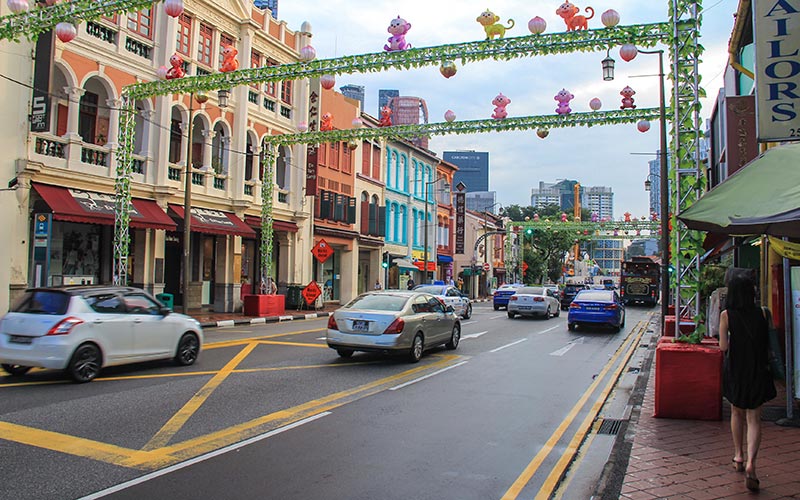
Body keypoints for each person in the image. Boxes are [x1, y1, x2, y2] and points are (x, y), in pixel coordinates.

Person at [718, 276, 776, 492]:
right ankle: (753, 462)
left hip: (737, 370)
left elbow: (723, 347)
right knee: (754, 418)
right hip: (759, 370)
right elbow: (770, 343)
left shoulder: (727, 316)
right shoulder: (763, 313)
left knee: (737, 413)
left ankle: (738, 456)